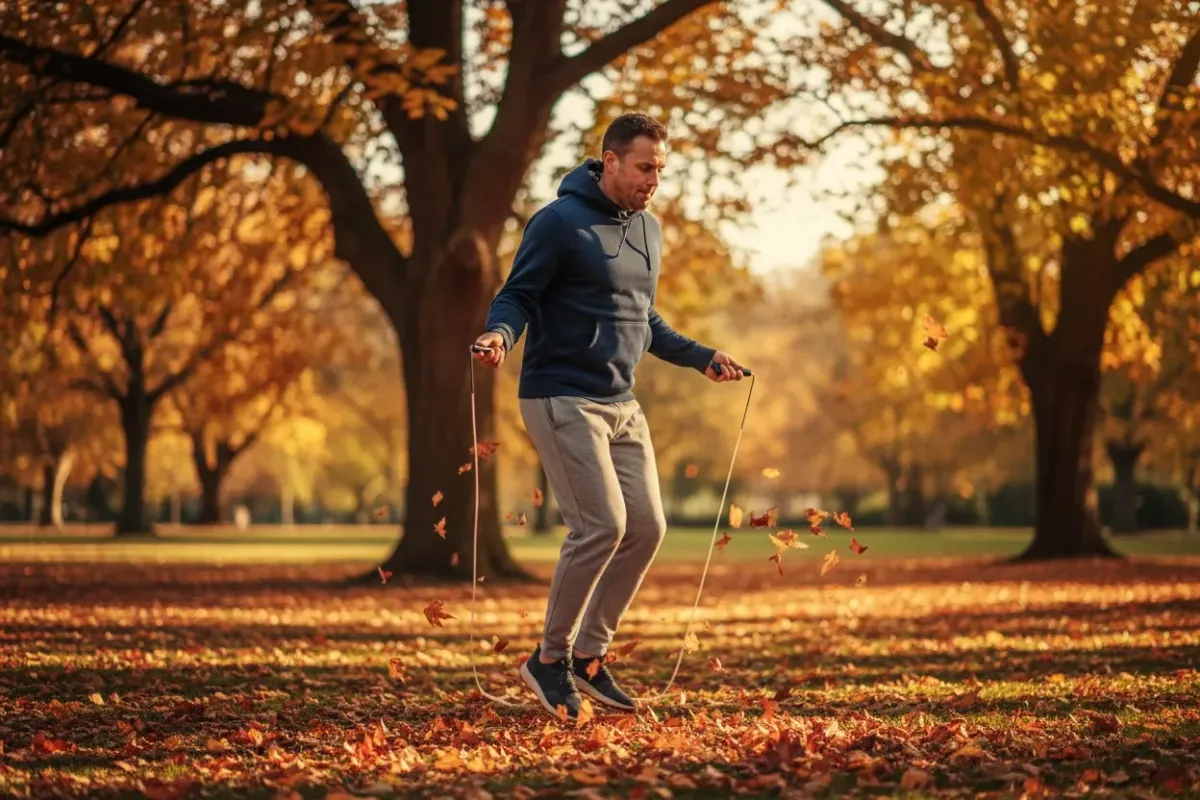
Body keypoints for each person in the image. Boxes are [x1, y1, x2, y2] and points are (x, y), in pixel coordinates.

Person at [472, 112, 746, 720]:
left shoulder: (649, 230)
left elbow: (642, 319)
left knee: (646, 528)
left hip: (622, 403)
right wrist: (498, 335)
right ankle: (549, 659)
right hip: (560, 395)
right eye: (645, 167)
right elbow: (518, 294)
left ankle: (590, 658)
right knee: (601, 526)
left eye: (661, 170)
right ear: (612, 160)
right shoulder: (558, 223)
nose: (653, 180)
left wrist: (702, 357)